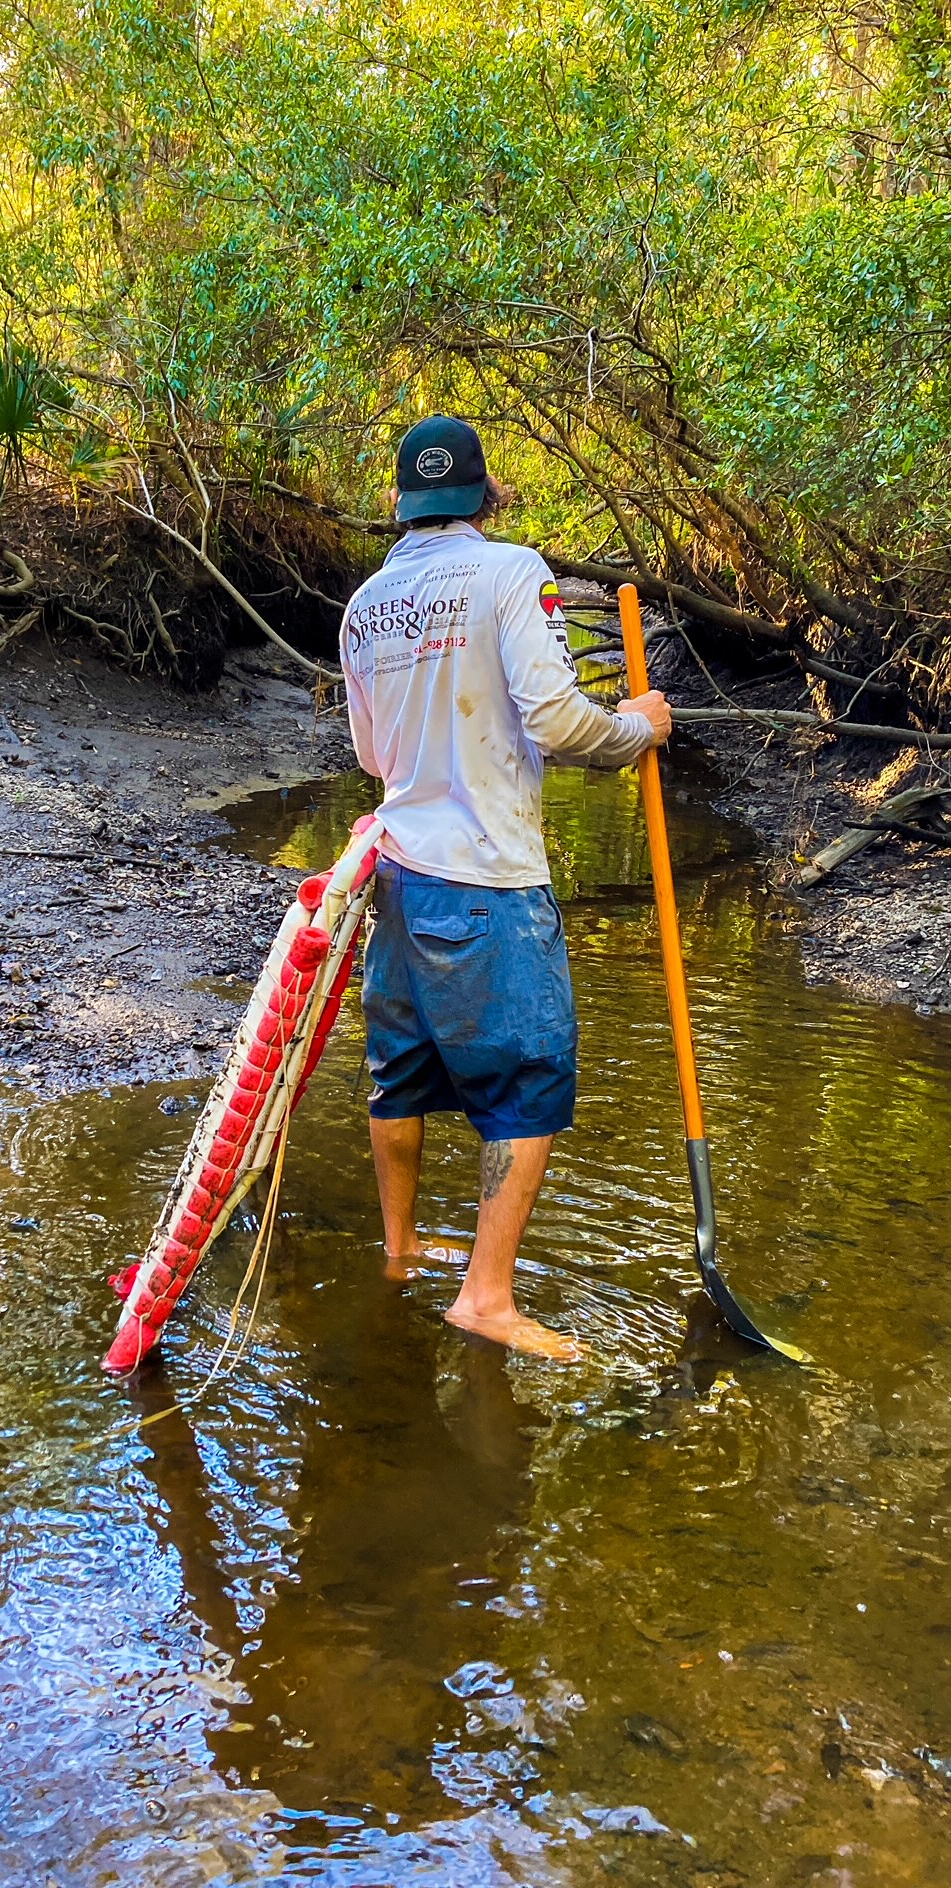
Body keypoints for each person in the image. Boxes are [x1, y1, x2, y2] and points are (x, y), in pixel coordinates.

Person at [339, 414, 672, 1359]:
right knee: (529, 1080)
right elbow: (558, 720)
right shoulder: (515, 571)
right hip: (489, 876)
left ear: (401, 504)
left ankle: (401, 1252)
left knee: (399, 1072)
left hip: (398, 874)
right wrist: (638, 729)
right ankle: (485, 1297)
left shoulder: (364, 604)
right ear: (486, 496)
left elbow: (372, 755)